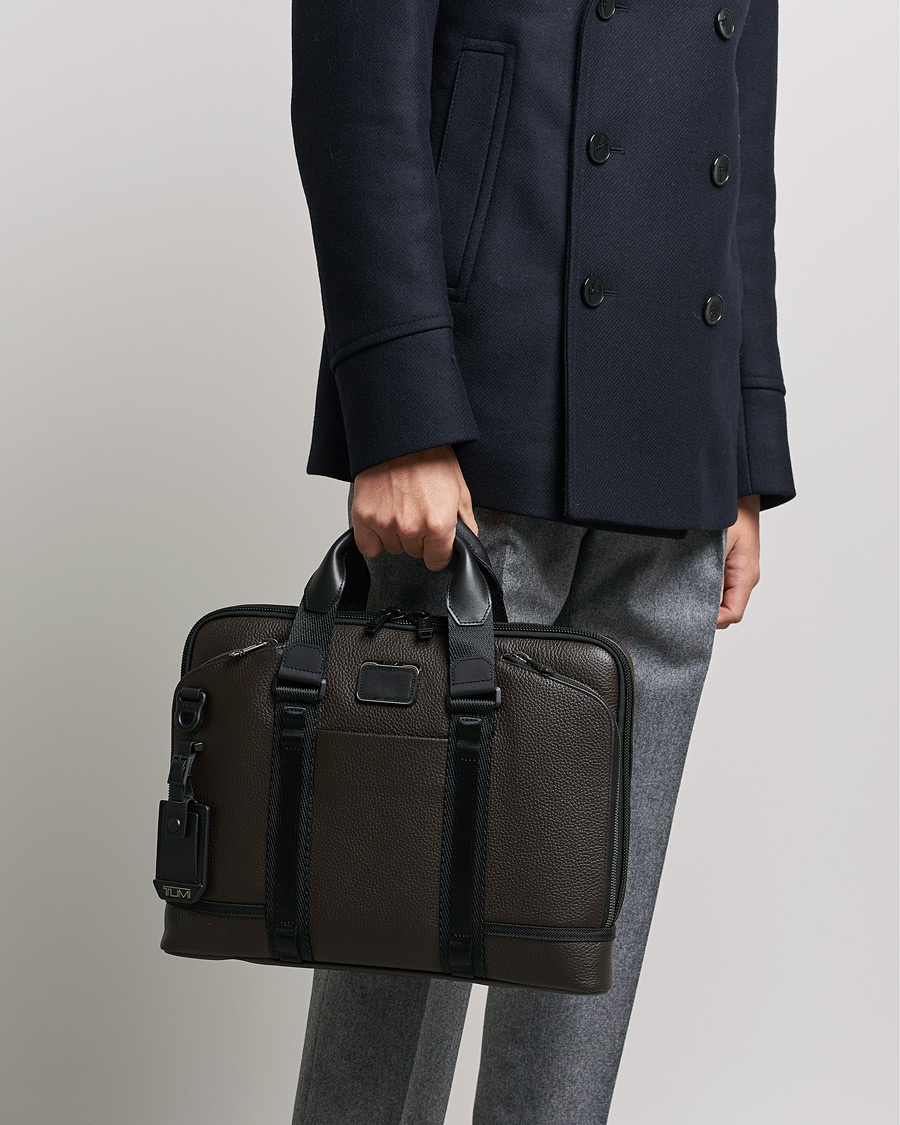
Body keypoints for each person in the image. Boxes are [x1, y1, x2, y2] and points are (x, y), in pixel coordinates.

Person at [287, 0, 796, 1121]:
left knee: (582, 967)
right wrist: (398, 415)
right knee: (403, 934)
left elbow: (742, 136)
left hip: (678, 441)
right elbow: (353, 88)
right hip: (475, 438)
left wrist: (747, 448)